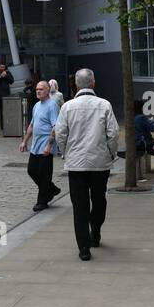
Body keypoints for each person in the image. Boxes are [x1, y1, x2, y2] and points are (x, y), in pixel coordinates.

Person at [52, 68, 117, 261]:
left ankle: (84, 248)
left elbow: (60, 133)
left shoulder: (67, 107)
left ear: (76, 85)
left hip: (76, 165)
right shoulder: (104, 105)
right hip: (100, 163)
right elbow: (113, 133)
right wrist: (111, 153)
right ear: (93, 83)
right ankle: (95, 231)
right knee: (99, 200)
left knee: (79, 206)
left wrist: (66, 153)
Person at [19, 80, 61, 211]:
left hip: (46, 145)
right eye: (37, 89)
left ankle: (42, 201)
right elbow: (32, 125)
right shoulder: (36, 105)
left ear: (48, 90)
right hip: (36, 145)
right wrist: (24, 141)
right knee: (32, 170)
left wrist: (49, 145)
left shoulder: (52, 105)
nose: (38, 91)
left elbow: (55, 127)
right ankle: (51, 189)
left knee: (44, 174)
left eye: (41, 89)